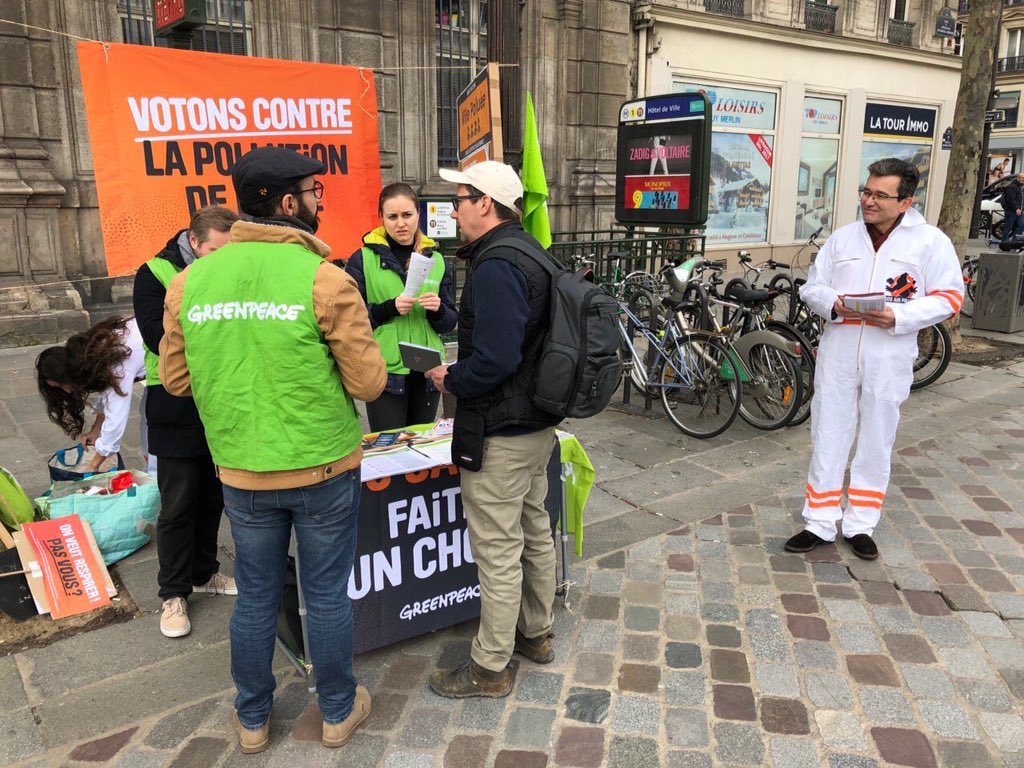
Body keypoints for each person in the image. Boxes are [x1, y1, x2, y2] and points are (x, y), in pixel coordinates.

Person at [159, 147, 387, 754]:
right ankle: (338, 711)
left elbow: (176, 380)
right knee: (326, 594)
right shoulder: (324, 277)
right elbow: (369, 384)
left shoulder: (190, 281)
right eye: (315, 192)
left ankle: (254, 720)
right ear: (288, 203)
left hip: (242, 470)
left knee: (256, 596)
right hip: (323, 469)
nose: (319, 202)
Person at [424, 161, 561, 698]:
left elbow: (497, 357)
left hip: (502, 430)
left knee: (500, 550)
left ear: (486, 203)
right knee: (533, 532)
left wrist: (449, 374)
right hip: (534, 424)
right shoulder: (530, 250)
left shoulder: (498, 262)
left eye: (459, 197)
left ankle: (489, 667)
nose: (453, 208)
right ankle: (537, 632)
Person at [784, 158, 963, 561]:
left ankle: (861, 522)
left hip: (890, 352)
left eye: (880, 195)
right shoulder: (843, 239)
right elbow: (813, 287)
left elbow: (949, 297)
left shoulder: (930, 242)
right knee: (828, 434)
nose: (869, 201)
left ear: (905, 202)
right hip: (840, 351)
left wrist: (899, 315)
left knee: (877, 439)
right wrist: (835, 302)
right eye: (866, 191)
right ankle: (819, 521)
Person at [133, 205, 238, 639]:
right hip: (175, 400)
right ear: (194, 242)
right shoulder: (154, 274)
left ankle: (204, 571)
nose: (222, 259)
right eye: (215, 250)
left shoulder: (228, 269)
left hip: (220, 398)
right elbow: (158, 338)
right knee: (177, 503)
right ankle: (172, 593)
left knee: (213, 496)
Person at [342, 183, 457, 431]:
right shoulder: (362, 259)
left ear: (418, 214)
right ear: (381, 218)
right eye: (392, 217)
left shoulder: (436, 260)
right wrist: (389, 308)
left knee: (421, 449)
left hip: (427, 370)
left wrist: (437, 309)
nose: (401, 223)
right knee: (389, 447)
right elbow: (351, 321)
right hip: (385, 371)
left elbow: (449, 322)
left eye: (407, 215)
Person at [36, 317, 146, 473]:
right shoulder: (88, 355)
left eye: (62, 384)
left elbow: (116, 419)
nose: (66, 391)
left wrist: (93, 466)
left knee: (154, 422)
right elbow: (106, 398)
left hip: (174, 351)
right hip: (158, 354)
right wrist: (96, 430)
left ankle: (158, 479)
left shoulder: (114, 367)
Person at [1001, 172, 1024, 243]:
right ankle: (1005, 243)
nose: (1023, 180)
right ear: (1018, 178)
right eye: (1022, 178)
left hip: (1020, 211)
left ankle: (1015, 242)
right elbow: (1010, 199)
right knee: (1008, 227)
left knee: (1021, 225)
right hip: (1012, 211)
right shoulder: (1012, 186)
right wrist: (1016, 208)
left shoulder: (1021, 187)